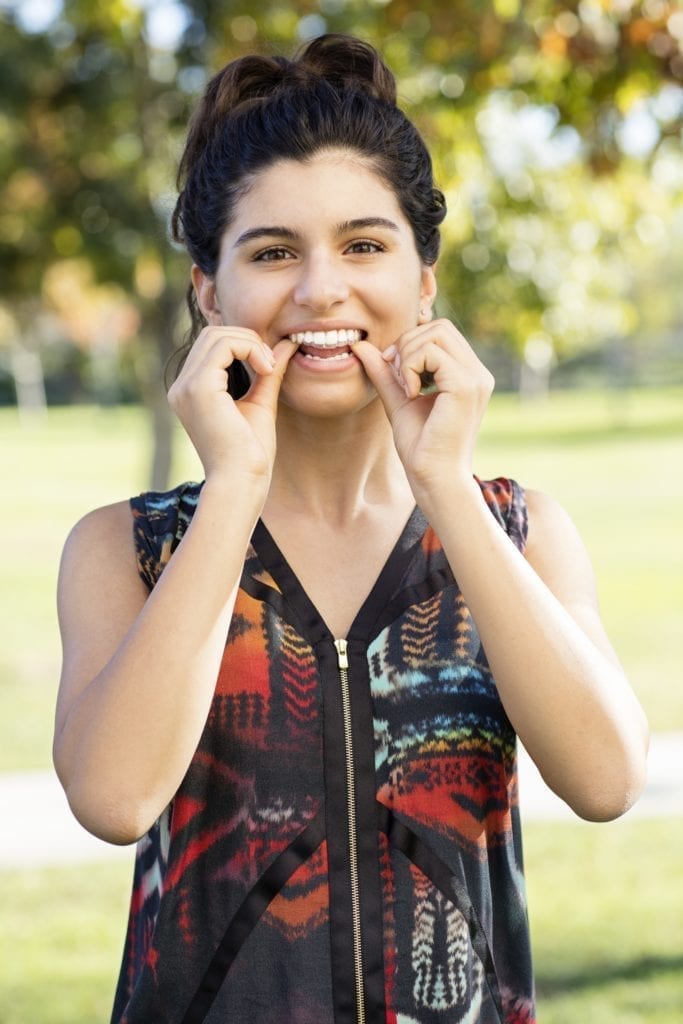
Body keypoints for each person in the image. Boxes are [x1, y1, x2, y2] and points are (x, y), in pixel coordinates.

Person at [53, 33, 648, 1024]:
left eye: (364, 245)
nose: (321, 289)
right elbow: (114, 800)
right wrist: (233, 488)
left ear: (423, 279)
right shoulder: (127, 549)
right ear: (209, 290)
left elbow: (606, 778)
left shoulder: (514, 529)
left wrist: (443, 482)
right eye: (272, 251)